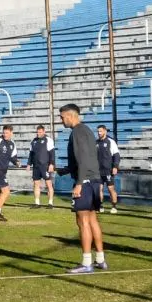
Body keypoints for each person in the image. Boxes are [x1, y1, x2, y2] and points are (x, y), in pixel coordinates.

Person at [59, 104, 108, 273]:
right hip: (94, 180)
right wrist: (66, 170)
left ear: (70, 116)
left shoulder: (77, 132)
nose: (61, 120)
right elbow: (88, 158)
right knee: (93, 219)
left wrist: (79, 183)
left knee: (82, 221)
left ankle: (87, 263)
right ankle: (100, 259)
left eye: (62, 117)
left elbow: (82, 159)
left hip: (85, 181)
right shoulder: (87, 130)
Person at [28, 125, 55, 208]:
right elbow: (31, 154)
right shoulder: (33, 141)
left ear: (44, 132)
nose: (38, 133)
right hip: (36, 166)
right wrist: (29, 164)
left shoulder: (48, 140)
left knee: (48, 184)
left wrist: (51, 164)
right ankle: (37, 203)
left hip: (45, 166)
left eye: (40, 132)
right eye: (37, 132)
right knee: (36, 184)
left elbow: (52, 153)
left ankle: (50, 203)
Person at [96, 125, 121, 213]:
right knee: (99, 189)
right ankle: (100, 206)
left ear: (105, 131)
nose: (99, 133)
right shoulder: (96, 143)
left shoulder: (111, 142)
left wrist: (115, 166)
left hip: (108, 170)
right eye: (98, 131)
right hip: (98, 171)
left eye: (100, 131)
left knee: (111, 189)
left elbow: (116, 155)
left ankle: (114, 206)